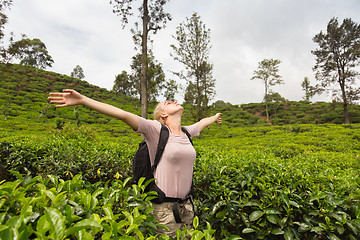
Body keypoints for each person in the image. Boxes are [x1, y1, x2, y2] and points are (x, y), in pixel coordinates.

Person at [48, 89, 222, 237]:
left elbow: (202, 123)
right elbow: (122, 114)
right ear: (163, 114)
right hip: (164, 210)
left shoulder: (187, 132)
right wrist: (83, 100)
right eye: (168, 102)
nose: (174, 101)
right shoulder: (155, 130)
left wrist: (215, 117)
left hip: (187, 207)